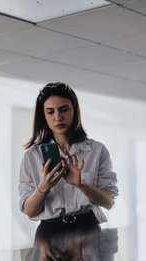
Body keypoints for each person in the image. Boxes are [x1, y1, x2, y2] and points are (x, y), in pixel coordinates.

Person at [18, 82, 118, 225]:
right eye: (50, 112)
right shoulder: (31, 156)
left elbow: (109, 203)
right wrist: (43, 187)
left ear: (74, 110)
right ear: (43, 115)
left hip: (89, 229)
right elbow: (29, 211)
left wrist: (82, 185)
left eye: (64, 110)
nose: (58, 117)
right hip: (50, 233)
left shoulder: (97, 150)